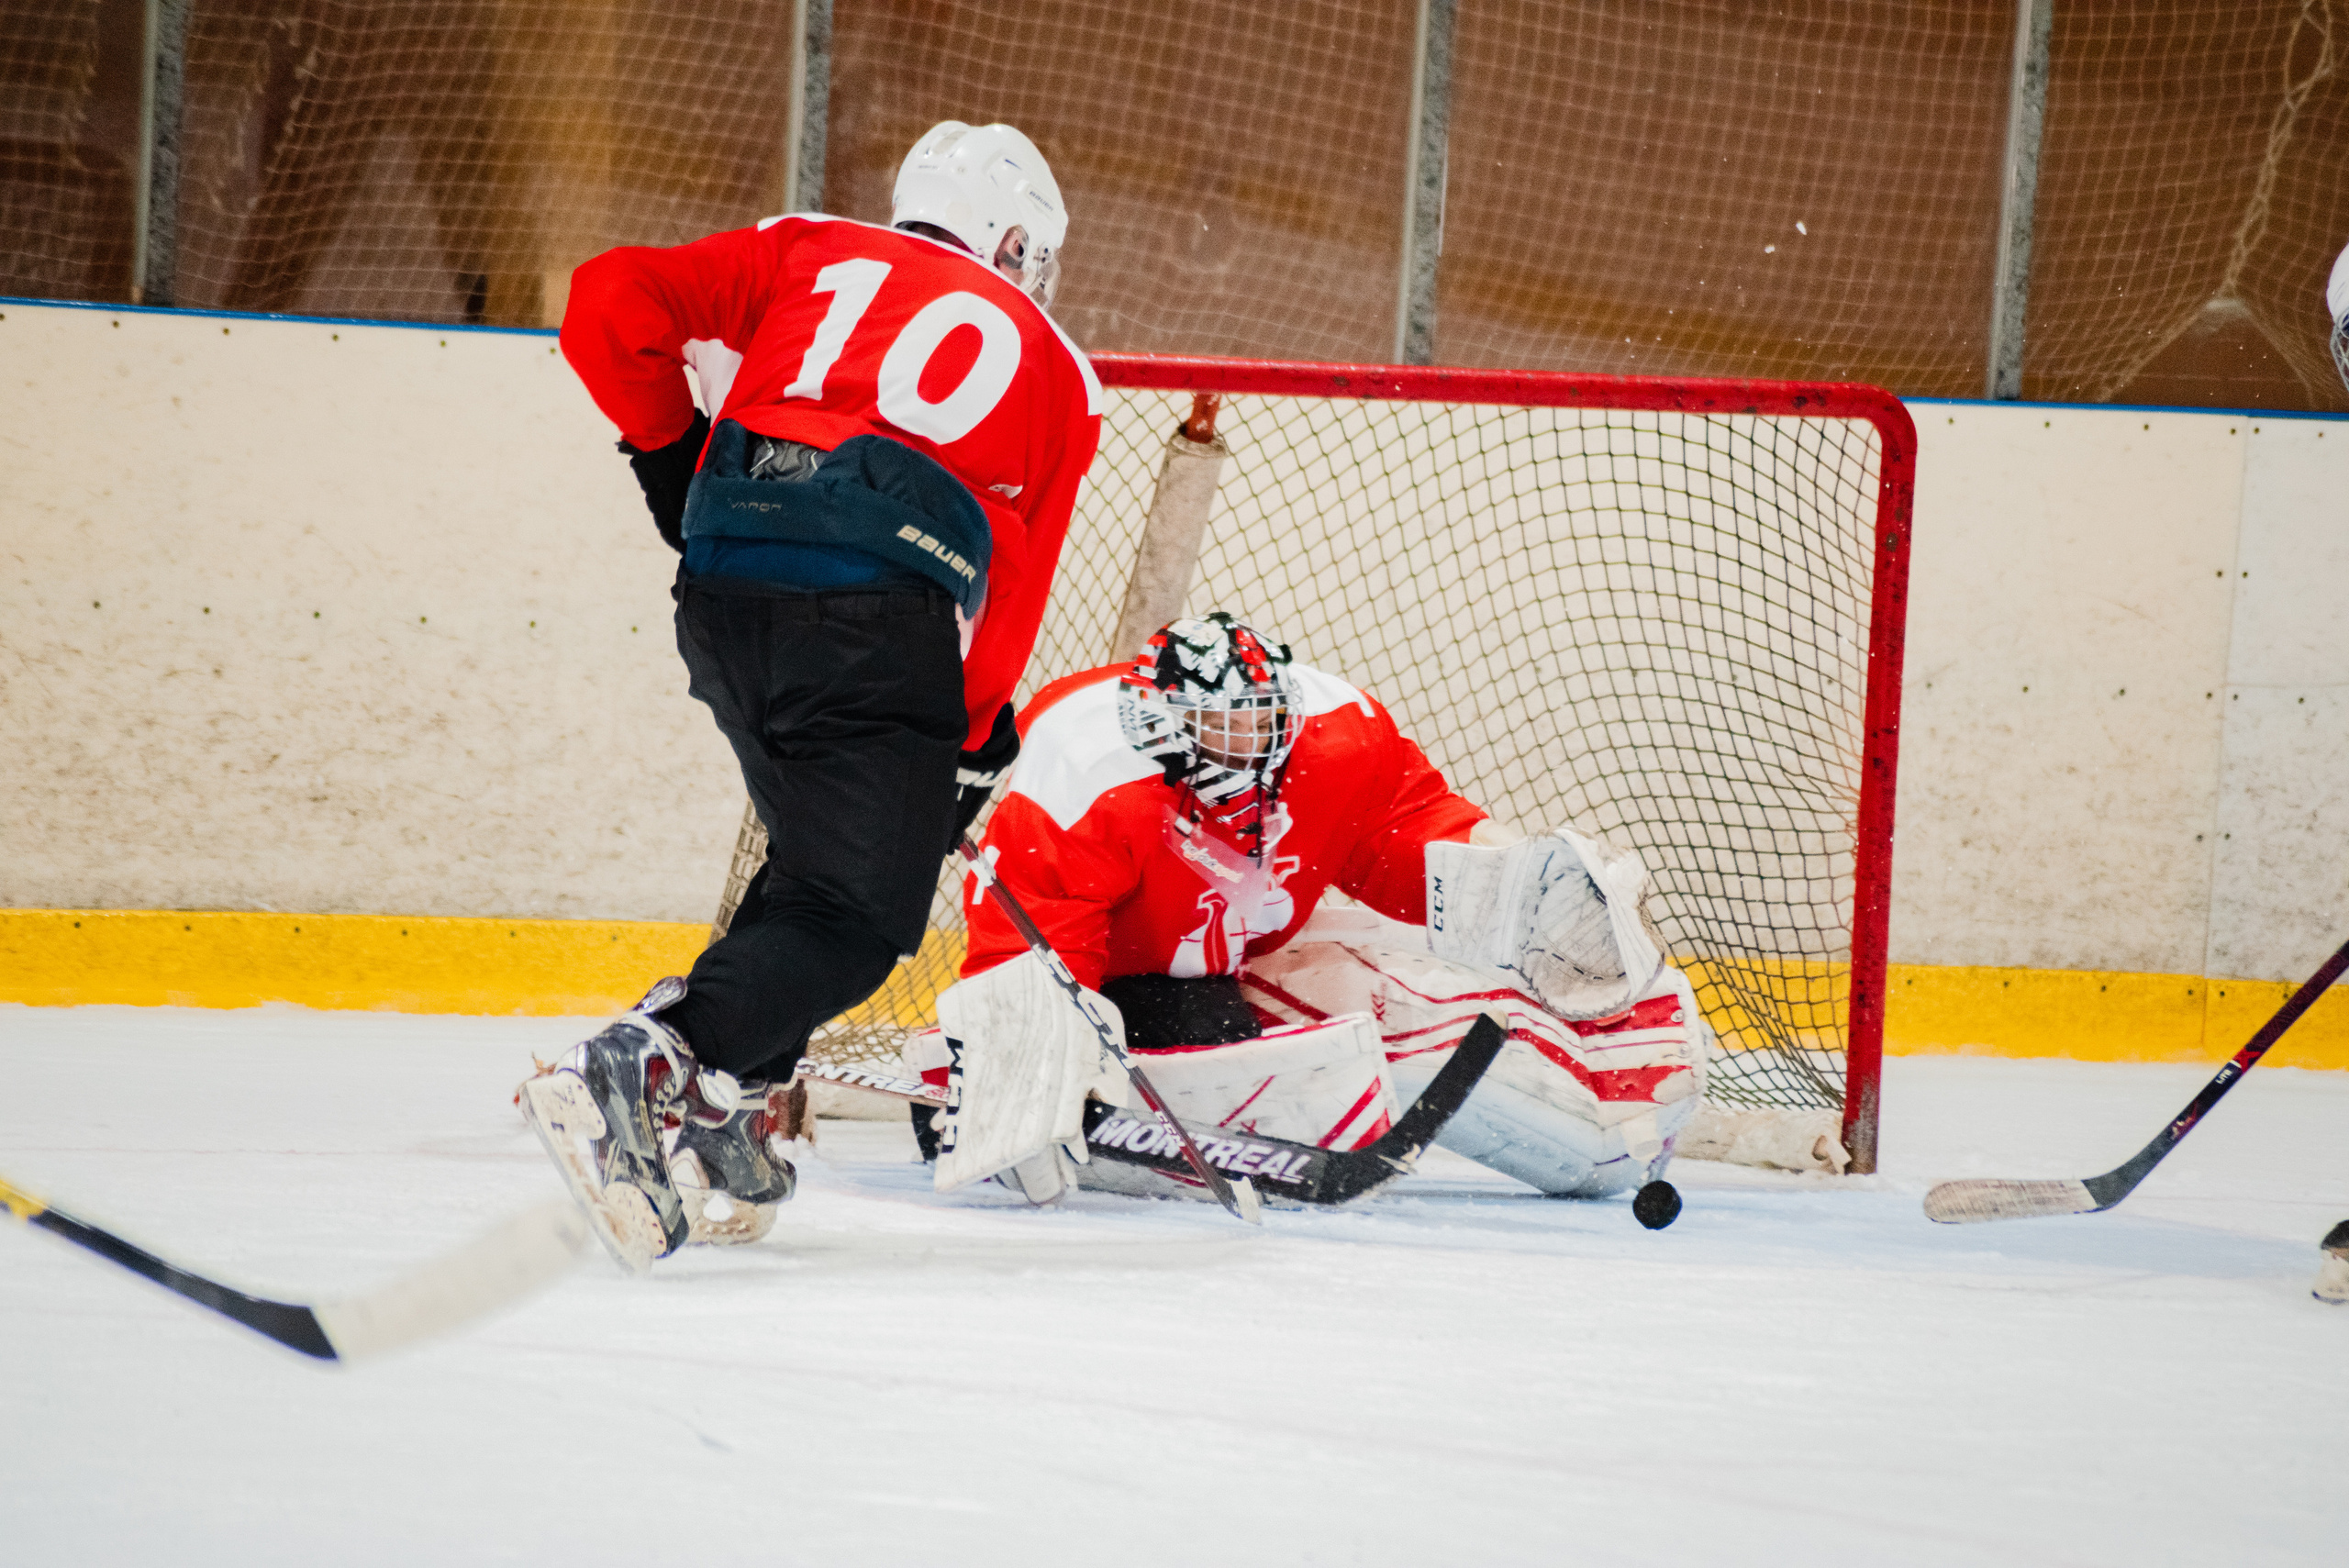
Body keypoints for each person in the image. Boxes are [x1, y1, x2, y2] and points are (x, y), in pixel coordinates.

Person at [520, 122, 1102, 1271]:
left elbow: (605, 299)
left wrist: (669, 455)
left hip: (723, 594)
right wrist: (971, 738)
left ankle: (726, 1095)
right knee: (858, 916)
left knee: (817, 860)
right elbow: (1015, 580)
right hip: (873, 626)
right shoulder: (1055, 365)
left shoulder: (803, 246)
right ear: (1017, 239)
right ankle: (656, 1055)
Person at [906, 612, 1777, 1207]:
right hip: (1124, 971)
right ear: (1166, 725)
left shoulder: (1338, 730)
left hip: (1249, 946)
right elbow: (1035, 938)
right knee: (1197, 1039)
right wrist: (1033, 1062)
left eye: (1260, 724)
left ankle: (1609, 1119)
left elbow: (1400, 835)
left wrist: (1505, 877)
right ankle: (957, 1071)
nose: (1252, 749)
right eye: (1223, 730)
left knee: (1411, 1005)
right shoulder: (1089, 769)